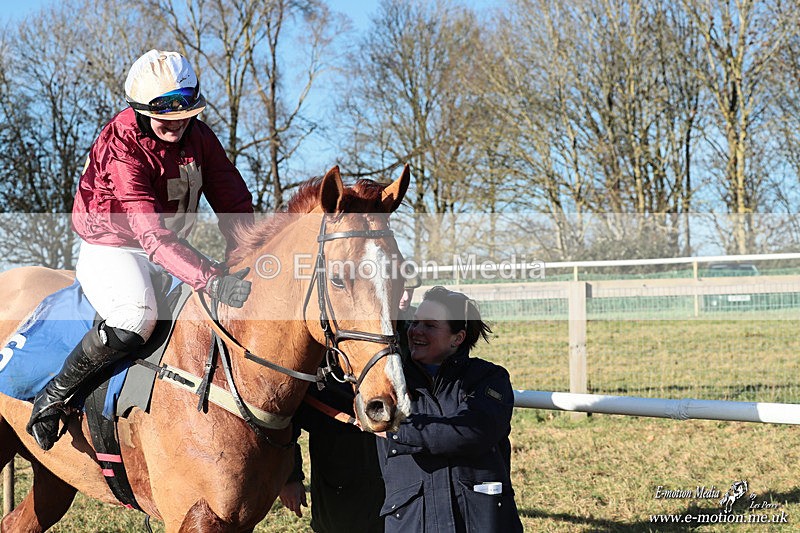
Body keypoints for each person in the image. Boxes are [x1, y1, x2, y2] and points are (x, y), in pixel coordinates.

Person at [26, 49, 254, 451]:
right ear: (139, 109)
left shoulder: (200, 136)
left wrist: (252, 257)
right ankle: (54, 397)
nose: (176, 125)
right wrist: (212, 278)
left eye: (185, 115)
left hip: (168, 245)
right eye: (164, 116)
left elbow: (234, 203)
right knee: (137, 317)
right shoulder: (122, 144)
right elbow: (150, 237)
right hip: (113, 245)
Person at [278, 275, 422, 533]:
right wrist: (290, 476)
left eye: (406, 290)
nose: (403, 298)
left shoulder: (415, 335)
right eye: (396, 289)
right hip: (339, 465)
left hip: (399, 469)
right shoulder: (334, 338)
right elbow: (292, 410)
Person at [376, 286, 523, 532]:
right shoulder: (388, 381)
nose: (416, 331)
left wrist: (397, 429)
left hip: (479, 521)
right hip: (413, 521)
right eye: (415, 322)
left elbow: (472, 431)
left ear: (458, 338)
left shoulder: (489, 378)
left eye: (430, 325)